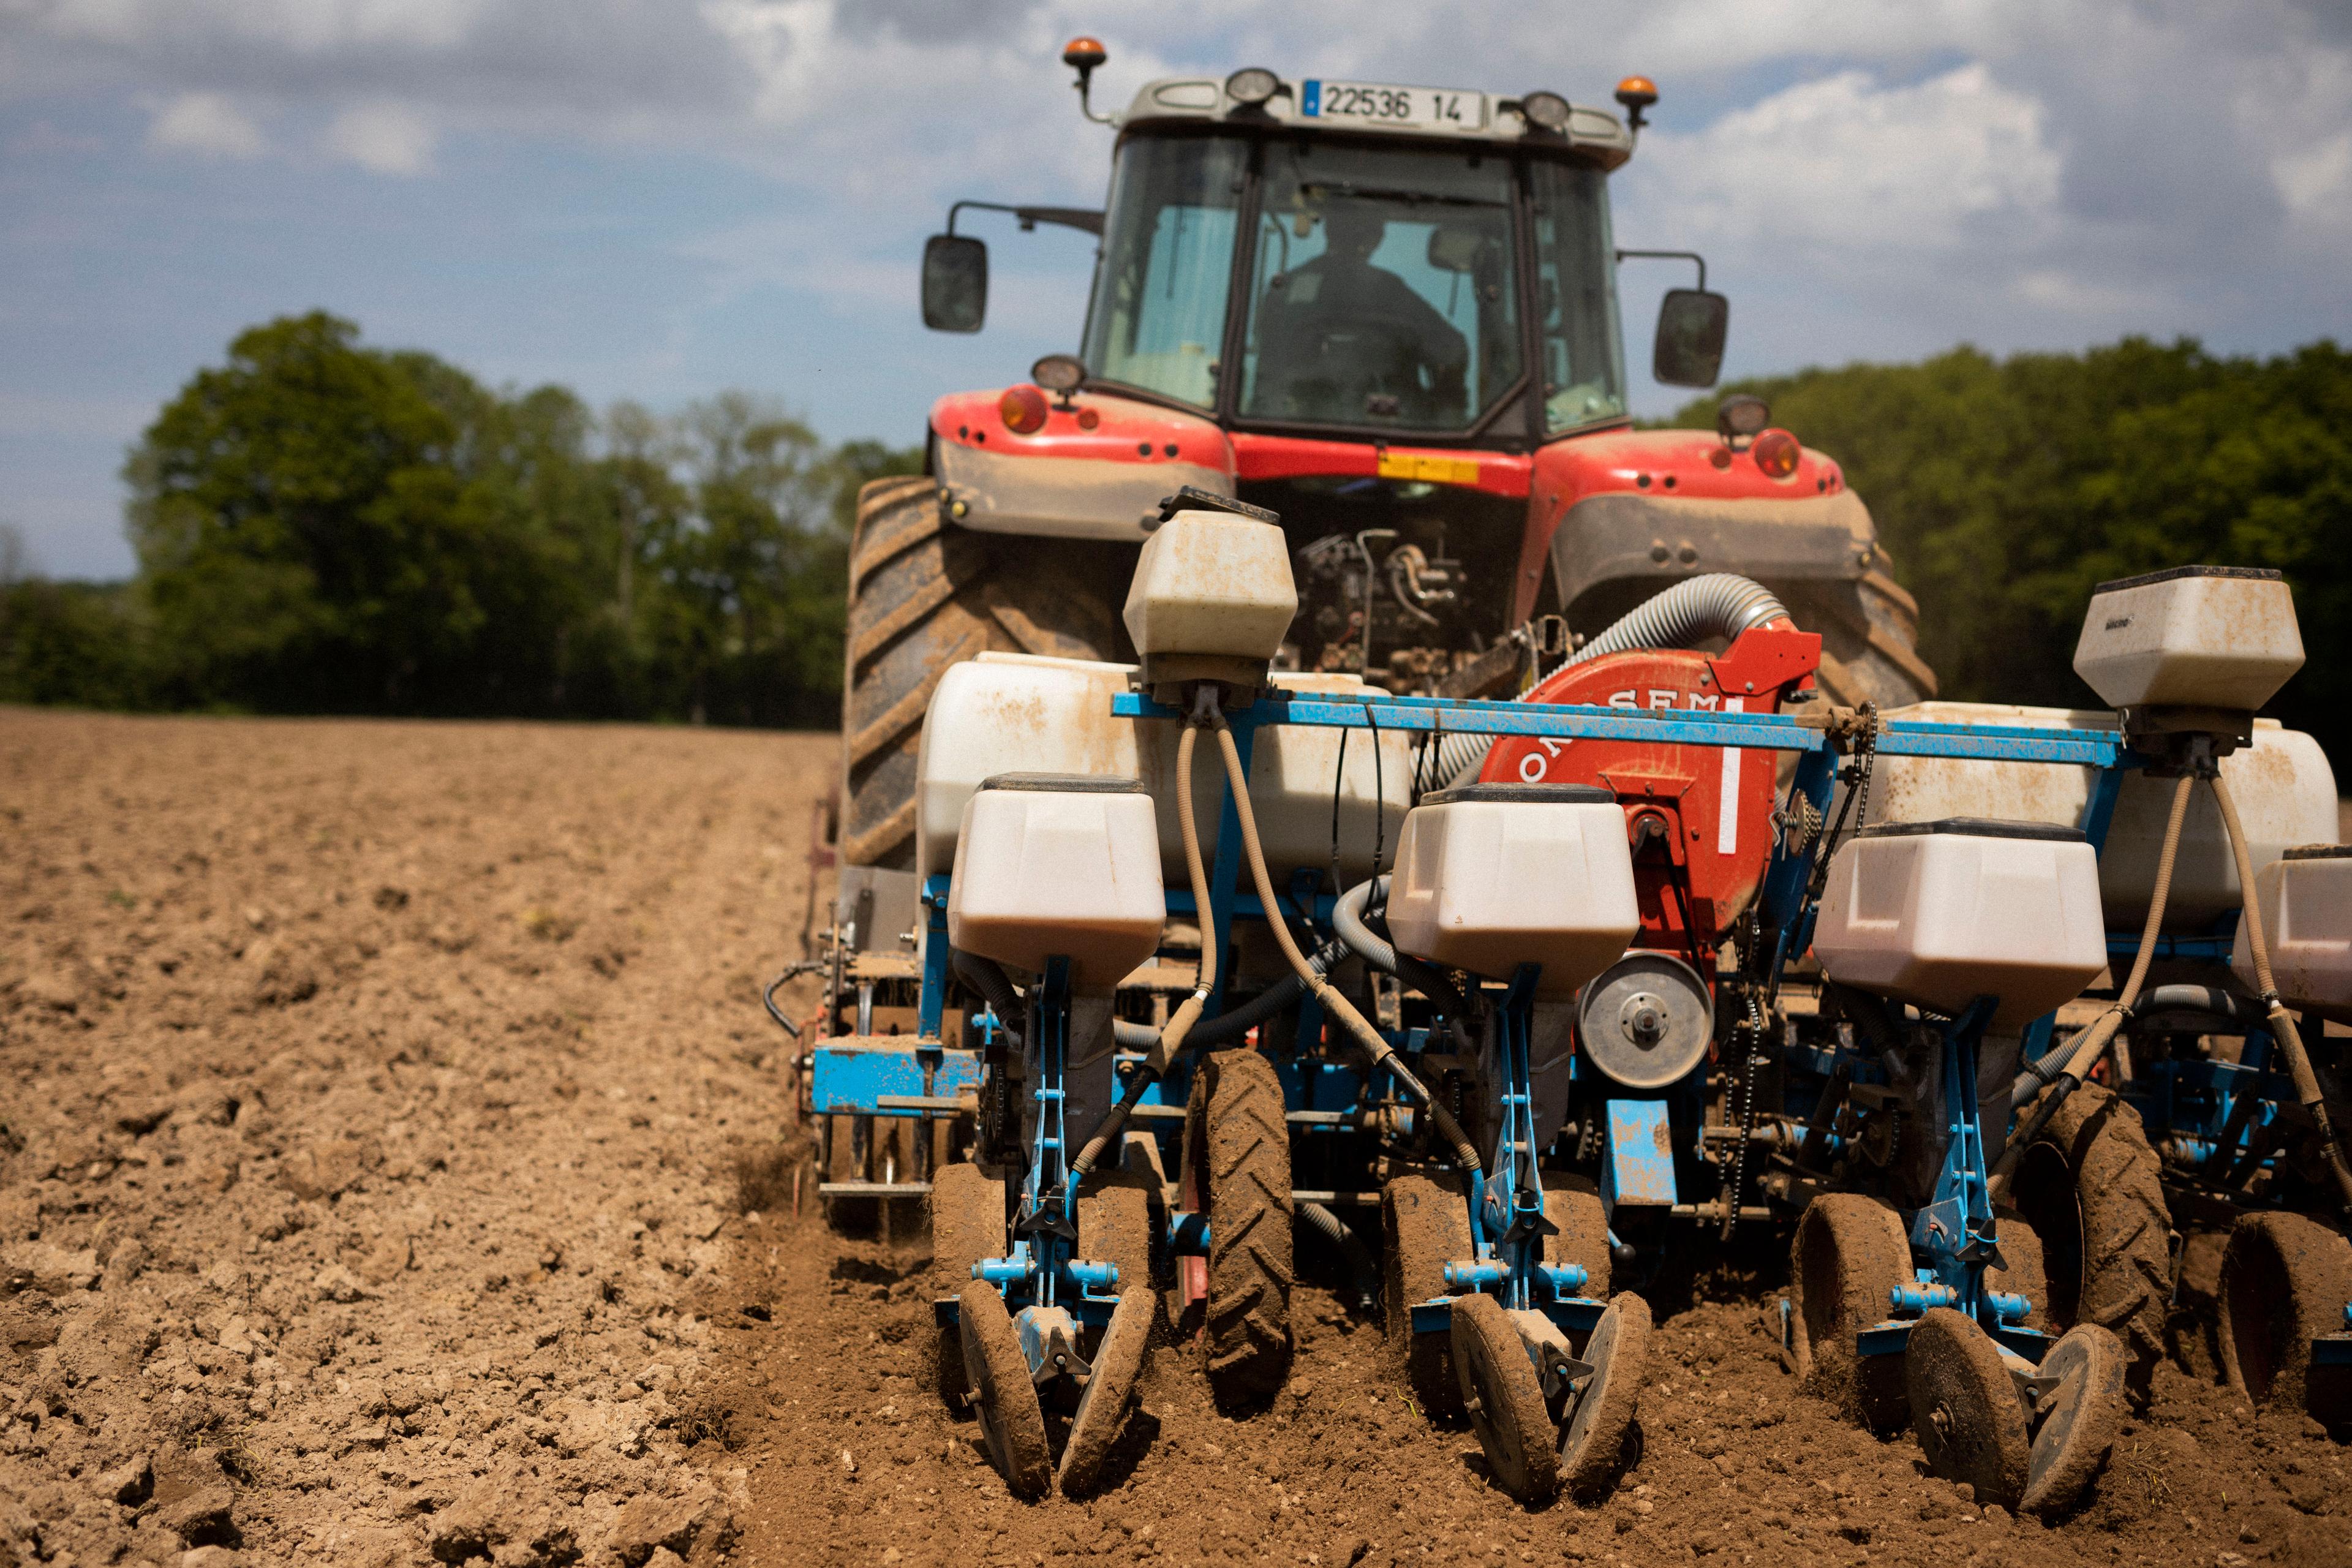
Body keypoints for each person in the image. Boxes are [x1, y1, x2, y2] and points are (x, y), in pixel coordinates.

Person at [1254, 208, 1469, 423]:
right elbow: (1452, 349)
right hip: (1389, 432)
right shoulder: (1389, 291)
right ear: (1375, 238)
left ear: (1329, 231)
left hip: (1288, 425)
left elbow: (1268, 361)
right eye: (1378, 230)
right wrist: (1440, 415)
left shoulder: (1285, 290)